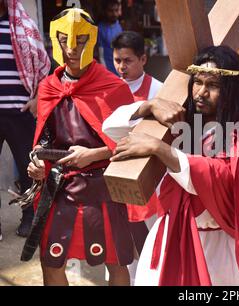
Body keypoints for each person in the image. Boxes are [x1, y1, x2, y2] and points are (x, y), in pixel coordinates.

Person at [104, 45, 239, 285]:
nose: (201, 93)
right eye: (198, 82)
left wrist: (160, 149)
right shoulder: (177, 121)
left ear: (231, 90)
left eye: (213, 85)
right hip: (170, 237)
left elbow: (222, 179)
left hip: (220, 251)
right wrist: (149, 106)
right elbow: (110, 127)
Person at [26, 8, 136, 286]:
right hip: (60, 187)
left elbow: (133, 142)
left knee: (117, 262)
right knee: (51, 262)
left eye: (80, 40)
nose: (72, 48)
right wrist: (38, 162)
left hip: (105, 187)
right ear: (55, 40)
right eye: (64, 39)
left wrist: (95, 154)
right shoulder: (49, 87)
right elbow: (45, 139)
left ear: (93, 40)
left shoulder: (113, 87)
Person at [111, 30, 163, 285]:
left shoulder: (158, 90)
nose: (121, 66)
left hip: (150, 177)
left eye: (127, 60)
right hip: (116, 172)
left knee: (153, 238)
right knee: (122, 242)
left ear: (143, 59)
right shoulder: (108, 88)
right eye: (117, 60)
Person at [0, 0, 50, 238]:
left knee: (29, 168)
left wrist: (37, 99)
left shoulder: (23, 25)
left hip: (21, 112)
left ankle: (30, 218)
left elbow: (42, 66)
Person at [98, 0, 123, 75]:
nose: (114, 14)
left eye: (116, 10)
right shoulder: (100, 28)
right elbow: (101, 55)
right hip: (108, 70)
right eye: (111, 11)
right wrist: (105, 73)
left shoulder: (119, 26)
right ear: (105, 11)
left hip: (120, 69)